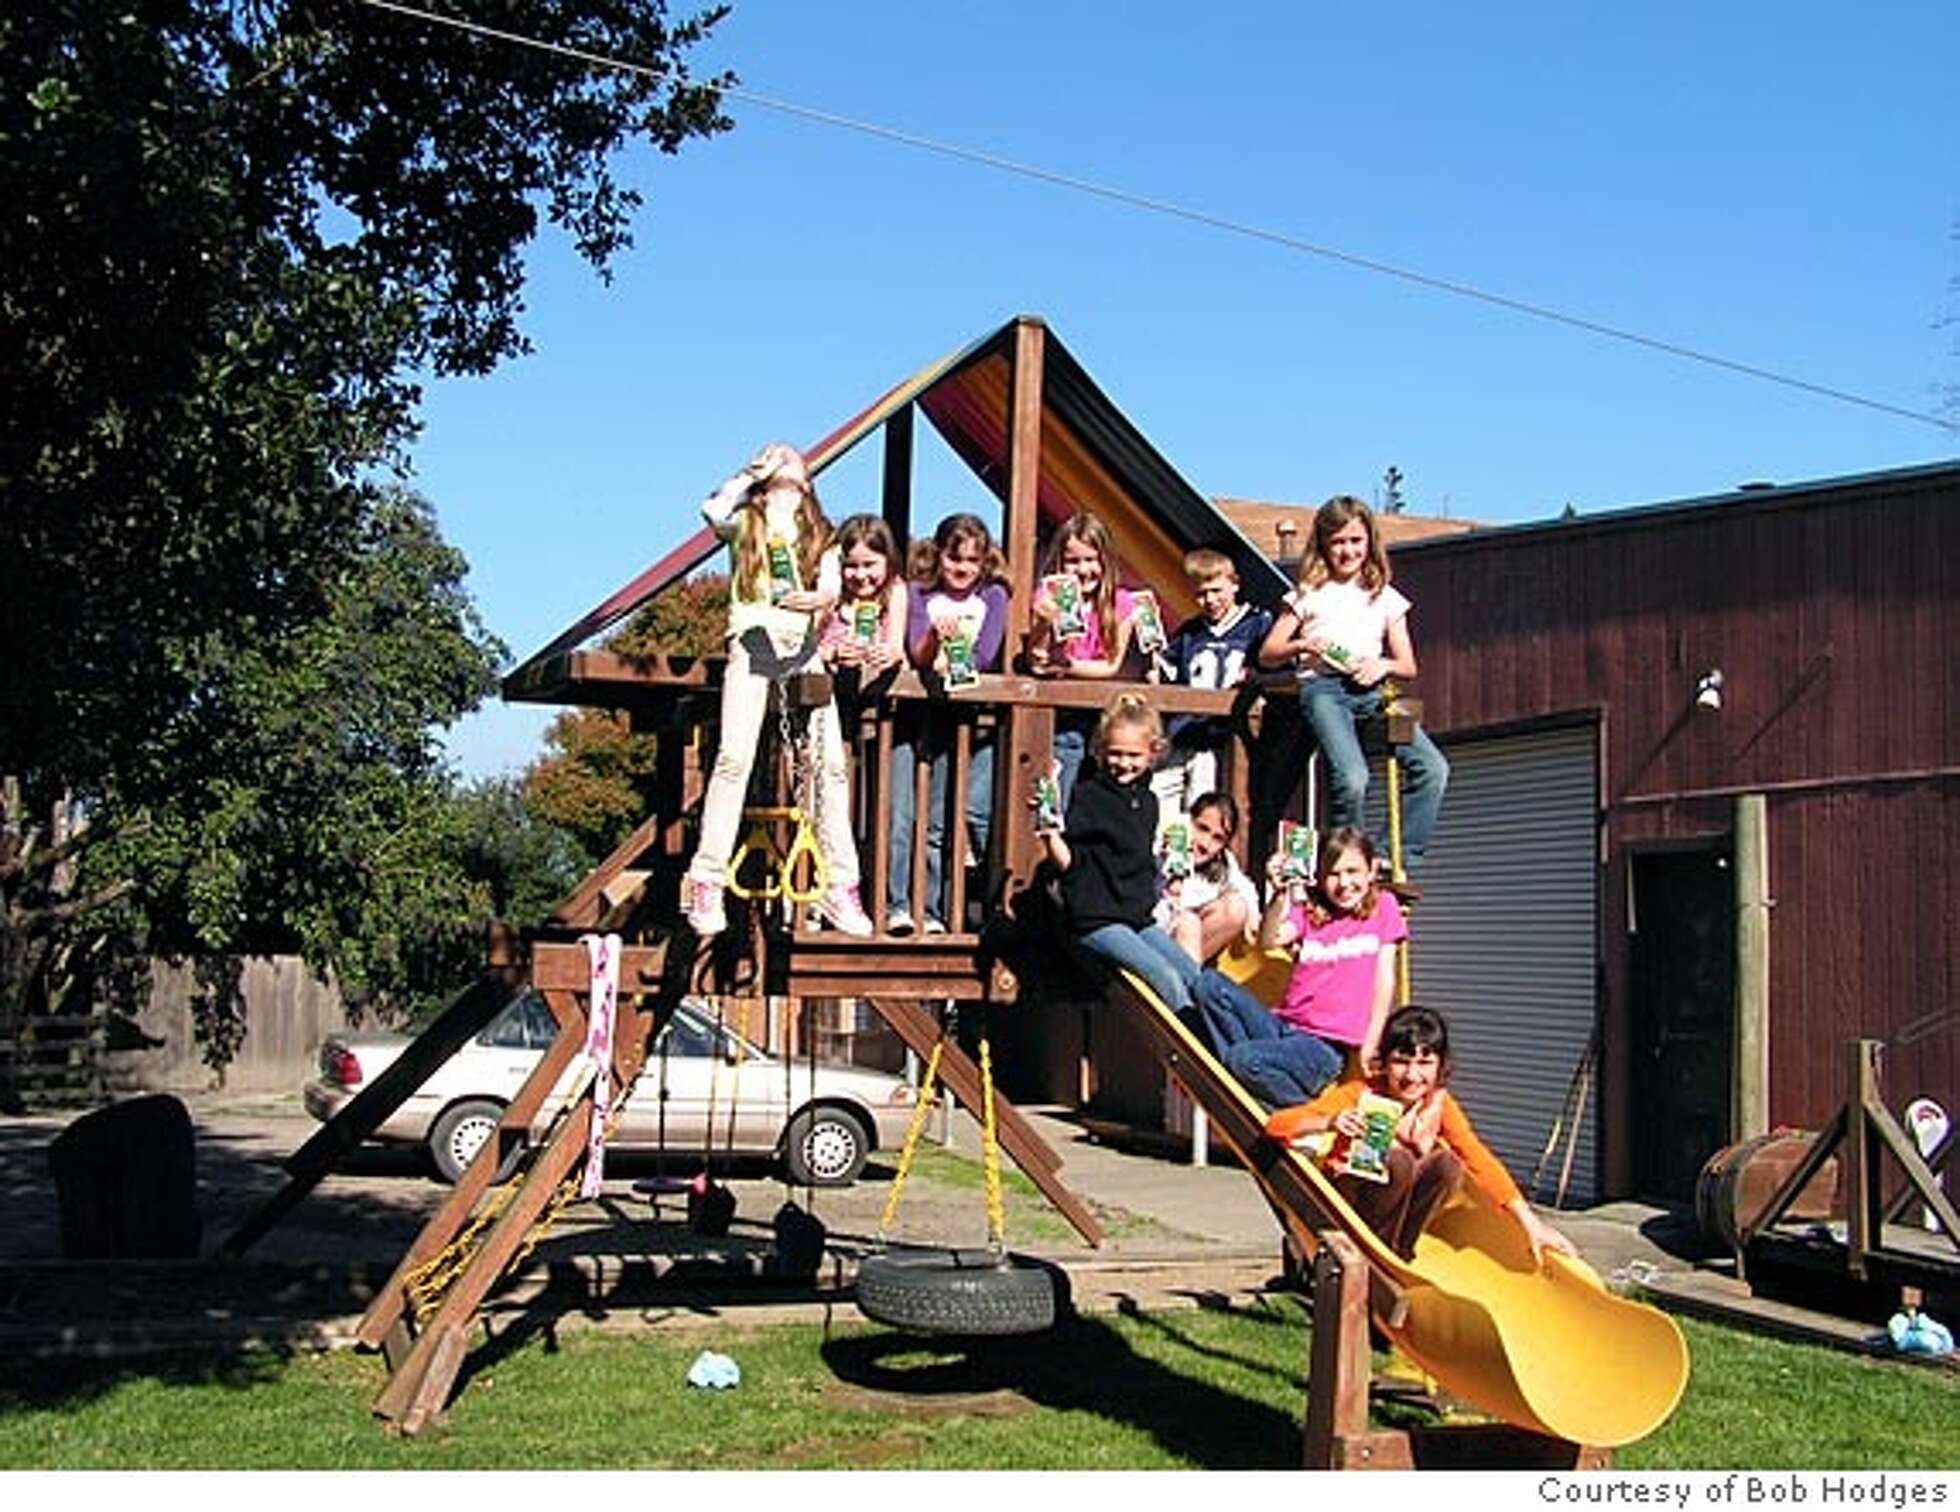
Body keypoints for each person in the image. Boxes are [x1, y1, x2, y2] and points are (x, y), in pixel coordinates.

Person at [683, 444, 872, 939]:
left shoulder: (820, 534)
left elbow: (831, 585)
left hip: (802, 649)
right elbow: (712, 509)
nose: (783, 453)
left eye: (790, 455)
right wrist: (749, 473)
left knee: (830, 765)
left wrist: (821, 598)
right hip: (753, 643)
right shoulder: (747, 521)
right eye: (773, 454)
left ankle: (841, 884)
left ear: (807, 481)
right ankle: (706, 877)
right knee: (733, 758)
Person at [1265, 1005, 1579, 1265]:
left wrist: (1531, 1224)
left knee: (1448, 1165)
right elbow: (1276, 1125)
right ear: (1384, 1064)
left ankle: (1398, 1251)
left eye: (1424, 1063)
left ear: (1440, 1066)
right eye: (1401, 1062)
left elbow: (1478, 1159)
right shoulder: (1360, 1094)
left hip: (1393, 1222)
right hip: (1346, 1203)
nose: (1412, 1075)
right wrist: (1329, 1121)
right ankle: (1381, 1254)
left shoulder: (1438, 1106)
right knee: (1398, 1160)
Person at [1259, 496, 1449, 875]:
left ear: (1369, 542)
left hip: (1371, 690)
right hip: (1325, 689)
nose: (1348, 551)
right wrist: (1302, 644)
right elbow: (1268, 653)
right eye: (1338, 542)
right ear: (1324, 545)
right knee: (1352, 777)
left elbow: (1407, 665)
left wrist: (1381, 665)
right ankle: (1346, 861)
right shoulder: (1306, 594)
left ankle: (1393, 856)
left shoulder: (1385, 597)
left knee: (1432, 768)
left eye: (1355, 541)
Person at [1189, 826, 1406, 1108]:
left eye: (1352, 871)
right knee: (1208, 984)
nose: (1343, 883)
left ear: (1371, 870)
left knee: (1242, 1058)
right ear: (1318, 876)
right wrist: (1279, 894)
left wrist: (1372, 1041)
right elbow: (1268, 941)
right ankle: (1253, 1083)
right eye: (1334, 874)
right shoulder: (1310, 910)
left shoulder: (1383, 907)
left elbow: (1384, 979)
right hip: (1282, 1027)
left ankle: (1300, 1108)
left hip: (1322, 1048)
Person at [886, 513, 1010, 936]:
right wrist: (937, 643)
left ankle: (934, 908)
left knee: (941, 822)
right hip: (912, 716)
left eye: (972, 561)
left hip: (960, 722)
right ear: (939, 556)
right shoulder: (920, 595)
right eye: (955, 558)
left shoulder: (992, 598)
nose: (962, 568)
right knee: (900, 815)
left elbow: (985, 656)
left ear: (983, 563)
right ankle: (895, 904)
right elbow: (920, 652)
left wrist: (951, 659)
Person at [1036, 693, 1198, 1014]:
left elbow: (1138, 860)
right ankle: (1196, 1039)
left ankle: (1223, 1036)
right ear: (1100, 751)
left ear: (1153, 754)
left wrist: (1170, 867)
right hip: (1096, 919)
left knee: (1192, 974)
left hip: (1135, 915)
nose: (1123, 763)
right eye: (1115, 754)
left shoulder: (1147, 801)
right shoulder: (1089, 796)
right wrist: (1051, 836)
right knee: (1163, 976)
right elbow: (1073, 862)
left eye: (1133, 755)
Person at [1028, 512, 1138, 807]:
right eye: (1073, 561)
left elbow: (1111, 665)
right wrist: (1042, 625)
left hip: (1101, 715)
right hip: (1060, 718)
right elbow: (1037, 660)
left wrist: (1067, 666)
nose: (1082, 569)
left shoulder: (1121, 603)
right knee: (1056, 794)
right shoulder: (1048, 596)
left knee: (1098, 799)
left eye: (1091, 559)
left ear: (1105, 561)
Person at [1152, 548, 1272, 819]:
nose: (1210, 600)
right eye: (1201, 593)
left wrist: (1254, 678)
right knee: (1160, 805)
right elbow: (1168, 677)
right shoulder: (1188, 634)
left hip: (1224, 739)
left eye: (1217, 590)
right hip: (1183, 733)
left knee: (1202, 807)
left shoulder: (1257, 625)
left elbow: (1272, 667)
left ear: (1235, 584)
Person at [1155, 792, 1260, 966]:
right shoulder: (1161, 843)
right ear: (1189, 821)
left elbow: (1246, 888)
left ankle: (1183, 976)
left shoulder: (1223, 863)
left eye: (1218, 838)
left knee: (1237, 906)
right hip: (1148, 936)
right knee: (1189, 923)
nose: (1205, 844)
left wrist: (1253, 915)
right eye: (1202, 828)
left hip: (1184, 946)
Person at [819, 513, 908, 684]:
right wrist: (833, 653)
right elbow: (807, 648)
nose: (860, 575)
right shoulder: (831, 593)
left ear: (887, 561)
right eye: (850, 566)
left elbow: (896, 646)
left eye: (869, 564)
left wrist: (889, 655)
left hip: (878, 694)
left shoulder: (894, 591)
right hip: (827, 693)